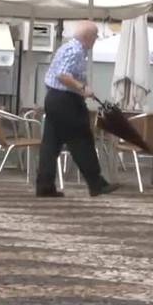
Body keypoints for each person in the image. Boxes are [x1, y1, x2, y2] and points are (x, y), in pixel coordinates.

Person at [37, 21, 120, 198]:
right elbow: (62, 74)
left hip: (54, 98)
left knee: (51, 144)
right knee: (82, 139)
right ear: (88, 37)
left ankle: (44, 185)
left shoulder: (67, 48)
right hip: (66, 101)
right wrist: (82, 88)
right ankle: (96, 184)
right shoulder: (75, 50)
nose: (96, 39)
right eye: (96, 36)